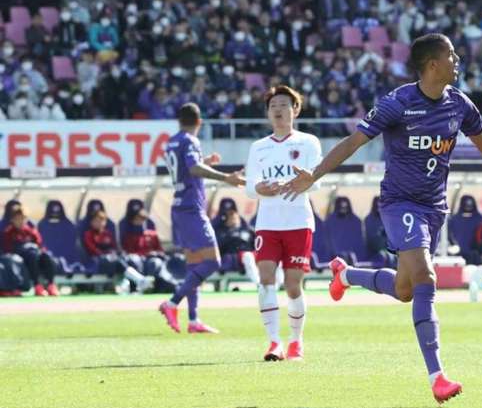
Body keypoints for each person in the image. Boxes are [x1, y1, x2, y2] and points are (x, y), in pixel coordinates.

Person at [281, 33, 482, 403]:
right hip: (400, 204)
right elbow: (355, 141)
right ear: (432, 64)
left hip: (434, 207)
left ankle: (345, 275)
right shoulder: (398, 103)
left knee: (405, 290)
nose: (457, 60)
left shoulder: (459, 104)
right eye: (451, 55)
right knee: (426, 277)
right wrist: (315, 174)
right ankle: (438, 376)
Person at [245, 85, 322, 362]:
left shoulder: (308, 143)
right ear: (267, 113)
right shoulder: (259, 147)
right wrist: (259, 189)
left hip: (298, 221)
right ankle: (273, 343)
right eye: (273, 106)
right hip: (267, 223)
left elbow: (318, 181)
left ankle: (296, 342)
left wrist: (303, 181)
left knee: (292, 285)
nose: (278, 110)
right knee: (265, 280)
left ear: (295, 110)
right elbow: (249, 186)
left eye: (283, 105)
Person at [158, 103, 245, 334]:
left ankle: (194, 319)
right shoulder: (190, 141)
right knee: (212, 262)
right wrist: (226, 177)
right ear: (200, 122)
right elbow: (194, 169)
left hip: (179, 208)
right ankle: (172, 302)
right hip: (191, 208)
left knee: (195, 266)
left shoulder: (171, 142)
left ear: (179, 120)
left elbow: (188, 168)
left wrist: (205, 162)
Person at [82, 209, 154, 294]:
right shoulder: (88, 234)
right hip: (97, 261)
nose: (99, 223)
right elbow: (92, 250)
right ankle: (140, 280)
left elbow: (114, 247)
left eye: (102, 221)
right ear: (92, 222)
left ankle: (134, 289)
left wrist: (116, 254)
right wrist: (107, 255)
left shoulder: (107, 233)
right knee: (116, 260)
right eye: (96, 221)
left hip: (112, 260)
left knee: (129, 260)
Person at [2, 206, 58, 296]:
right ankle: (37, 286)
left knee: (46, 256)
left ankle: (51, 285)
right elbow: (8, 250)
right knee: (32, 256)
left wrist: (39, 251)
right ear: (12, 220)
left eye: (22, 218)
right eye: (17, 219)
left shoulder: (30, 231)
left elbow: (40, 245)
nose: (20, 221)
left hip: (36, 256)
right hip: (21, 260)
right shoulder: (8, 233)